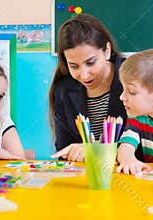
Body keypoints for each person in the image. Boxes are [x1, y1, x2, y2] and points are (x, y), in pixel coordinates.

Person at [49, 13, 127, 161]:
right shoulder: (63, 89)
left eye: (91, 62)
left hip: (129, 173)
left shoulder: (133, 79)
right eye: (74, 66)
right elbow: (65, 150)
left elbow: (145, 145)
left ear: (107, 50)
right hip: (85, 175)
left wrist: (94, 151)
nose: (84, 75)